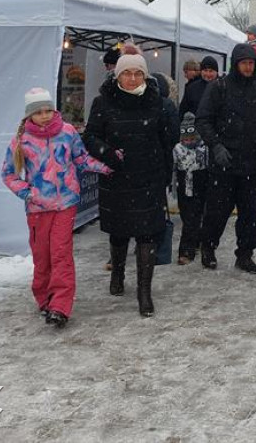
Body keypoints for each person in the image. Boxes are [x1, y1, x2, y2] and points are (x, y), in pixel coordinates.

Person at [2, 88, 111, 327]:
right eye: (38, 112)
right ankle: (44, 298)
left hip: (66, 204)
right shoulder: (22, 140)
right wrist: (28, 193)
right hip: (38, 208)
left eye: (48, 110)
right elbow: (8, 174)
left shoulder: (67, 133)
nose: (44, 116)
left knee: (60, 255)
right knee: (42, 257)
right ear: (29, 115)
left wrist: (106, 167)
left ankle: (60, 306)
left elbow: (81, 159)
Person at [83, 44, 176, 317]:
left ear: (145, 76)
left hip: (148, 178)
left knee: (148, 234)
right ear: (118, 76)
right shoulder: (104, 102)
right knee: (120, 231)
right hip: (118, 179)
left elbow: (169, 138)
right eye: (127, 73)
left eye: (138, 73)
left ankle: (144, 293)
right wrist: (109, 154)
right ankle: (118, 275)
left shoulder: (156, 101)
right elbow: (90, 137)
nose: (132, 78)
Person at [196, 43, 256, 274]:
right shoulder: (219, 87)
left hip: (251, 161)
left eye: (251, 63)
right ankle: (208, 248)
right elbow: (203, 120)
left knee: (251, 213)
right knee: (217, 211)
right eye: (244, 63)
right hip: (225, 163)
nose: (248, 67)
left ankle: (245, 254)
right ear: (235, 64)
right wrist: (216, 145)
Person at [173, 112, 209, 265]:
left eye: (192, 139)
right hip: (184, 187)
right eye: (185, 139)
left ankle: (192, 245)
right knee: (188, 218)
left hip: (201, 185)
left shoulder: (204, 149)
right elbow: (173, 169)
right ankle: (190, 246)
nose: (189, 142)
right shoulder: (177, 149)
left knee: (197, 216)